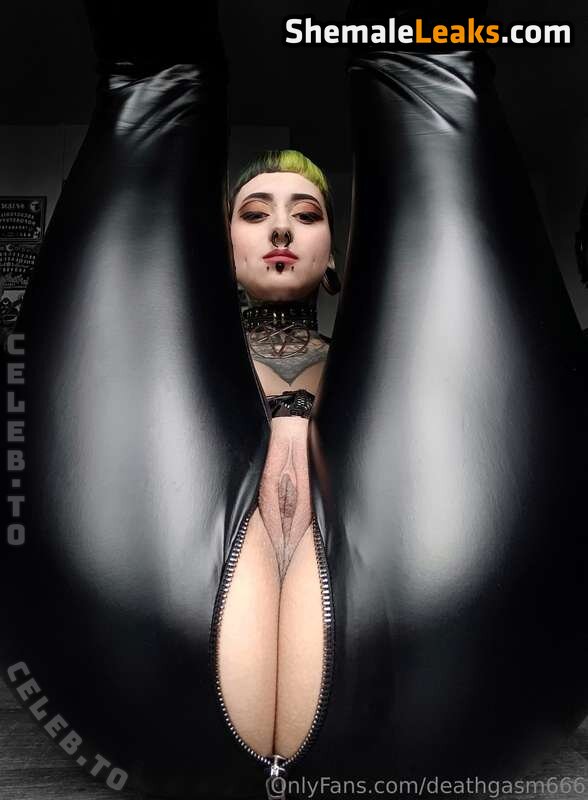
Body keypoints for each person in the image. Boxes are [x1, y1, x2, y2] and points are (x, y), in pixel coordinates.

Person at [1, 2, 588, 800]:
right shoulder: (173, 383)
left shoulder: (386, 384)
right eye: (254, 213)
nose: (281, 229)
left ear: (337, 255)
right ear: (209, 250)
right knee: (393, 59)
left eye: (306, 214)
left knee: (176, 76)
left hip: (433, 662)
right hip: (149, 665)